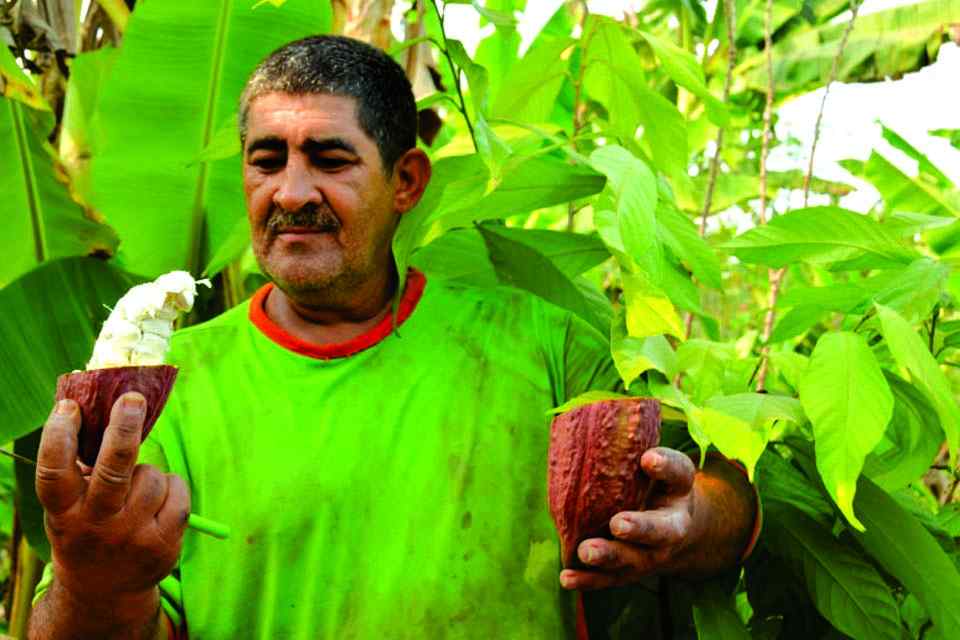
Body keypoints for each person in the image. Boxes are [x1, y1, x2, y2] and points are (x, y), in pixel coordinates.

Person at [28, 35, 758, 639]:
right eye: (266, 160)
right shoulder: (160, 387)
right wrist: (96, 584)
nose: (290, 193)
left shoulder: (541, 342)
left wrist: (690, 520)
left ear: (406, 181)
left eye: (330, 159)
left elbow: (728, 503)